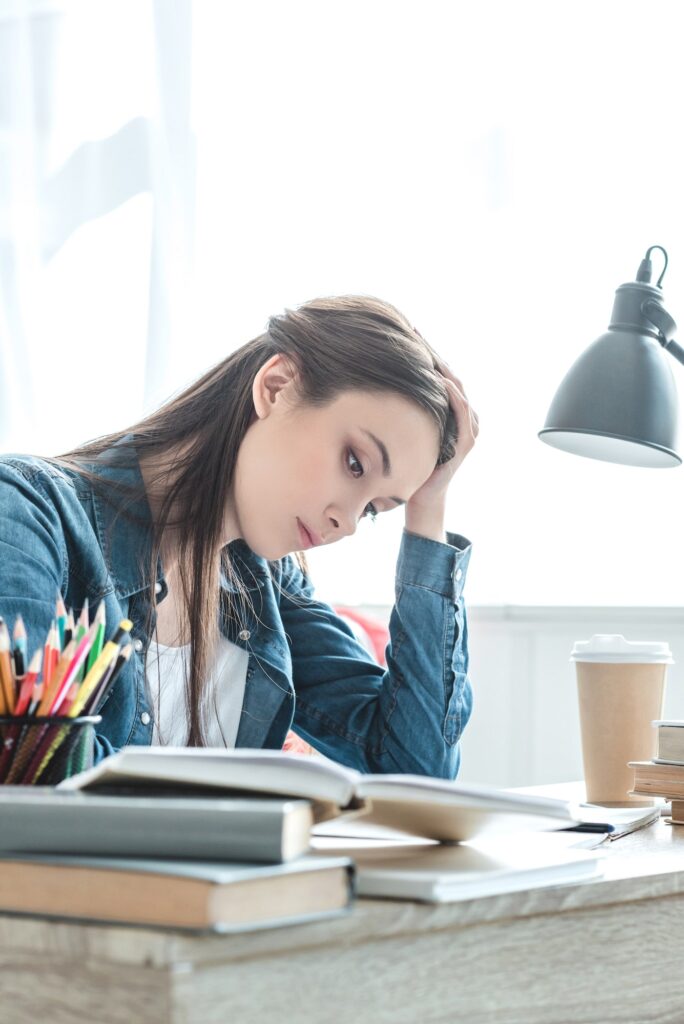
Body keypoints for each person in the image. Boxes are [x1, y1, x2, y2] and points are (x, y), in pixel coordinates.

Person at [0, 295, 479, 775]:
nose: (348, 523)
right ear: (276, 386)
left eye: (375, 510)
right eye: (355, 463)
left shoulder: (268, 587)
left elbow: (416, 768)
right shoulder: (26, 512)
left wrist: (428, 513)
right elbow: (33, 760)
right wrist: (247, 804)